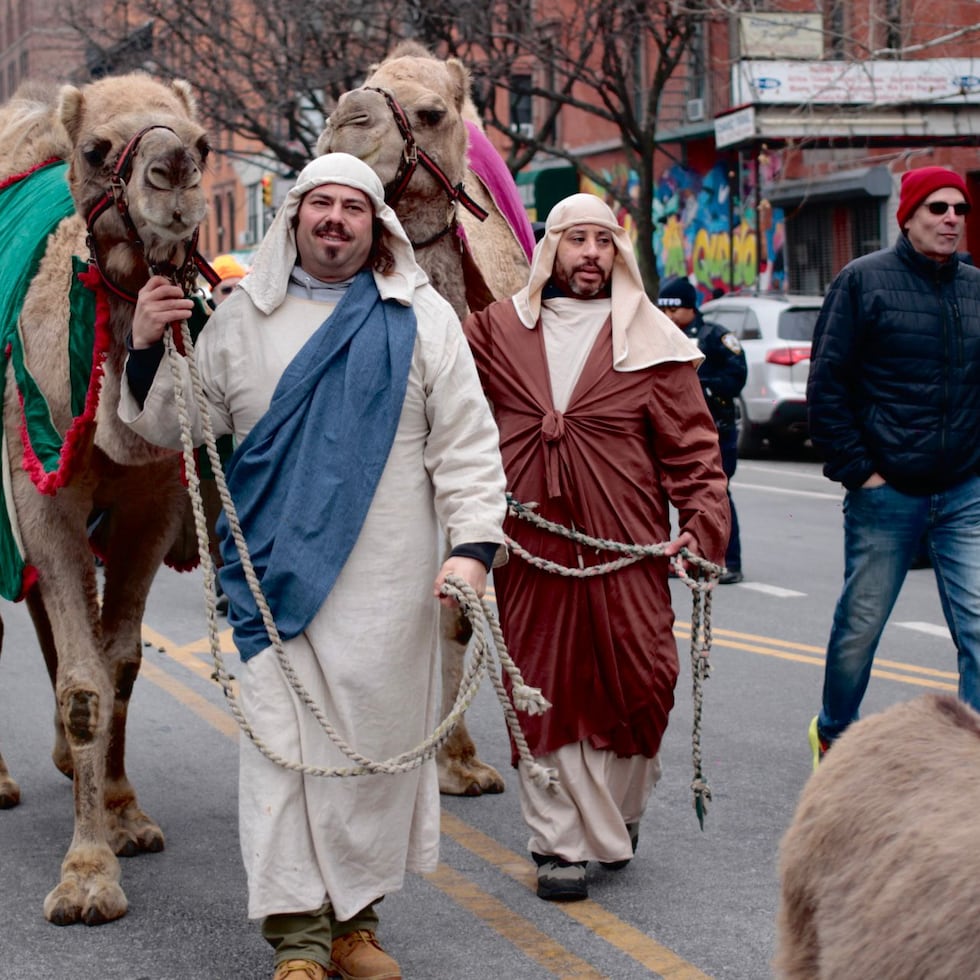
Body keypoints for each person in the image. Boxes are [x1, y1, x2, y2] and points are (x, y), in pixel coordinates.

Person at [119, 153, 507, 980]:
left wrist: (472, 551)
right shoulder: (240, 319)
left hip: (390, 586)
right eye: (319, 205)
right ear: (293, 219)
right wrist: (147, 348)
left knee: (369, 759)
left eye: (352, 209)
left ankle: (354, 928)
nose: (335, 219)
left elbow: (468, 445)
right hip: (272, 578)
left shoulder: (423, 318)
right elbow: (178, 425)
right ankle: (296, 940)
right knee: (284, 763)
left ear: (377, 229)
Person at [462, 193, 730, 902]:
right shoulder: (495, 331)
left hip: (628, 545)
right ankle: (558, 844)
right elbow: (447, 413)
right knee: (545, 689)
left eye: (601, 241)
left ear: (619, 254)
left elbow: (696, 455)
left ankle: (618, 815)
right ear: (550, 250)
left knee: (644, 683)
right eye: (574, 239)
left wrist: (703, 527)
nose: (589, 253)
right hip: (532, 550)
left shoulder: (654, 342)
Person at [807, 165, 980, 768]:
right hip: (886, 492)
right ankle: (834, 734)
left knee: (979, 628)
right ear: (907, 216)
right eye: (937, 208)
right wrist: (861, 472)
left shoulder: (976, 288)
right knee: (862, 625)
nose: (951, 218)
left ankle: (970, 758)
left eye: (959, 208)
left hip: (963, 490)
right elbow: (827, 387)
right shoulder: (863, 282)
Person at [658, 275, 747, 584]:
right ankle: (680, 555)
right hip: (672, 430)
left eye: (675, 309)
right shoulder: (657, 335)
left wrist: (702, 388)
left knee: (716, 494)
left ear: (691, 308)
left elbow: (736, 377)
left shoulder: (714, 337)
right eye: (664, 309)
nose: (668, 316)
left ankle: (729, 561)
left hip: (714, 429)